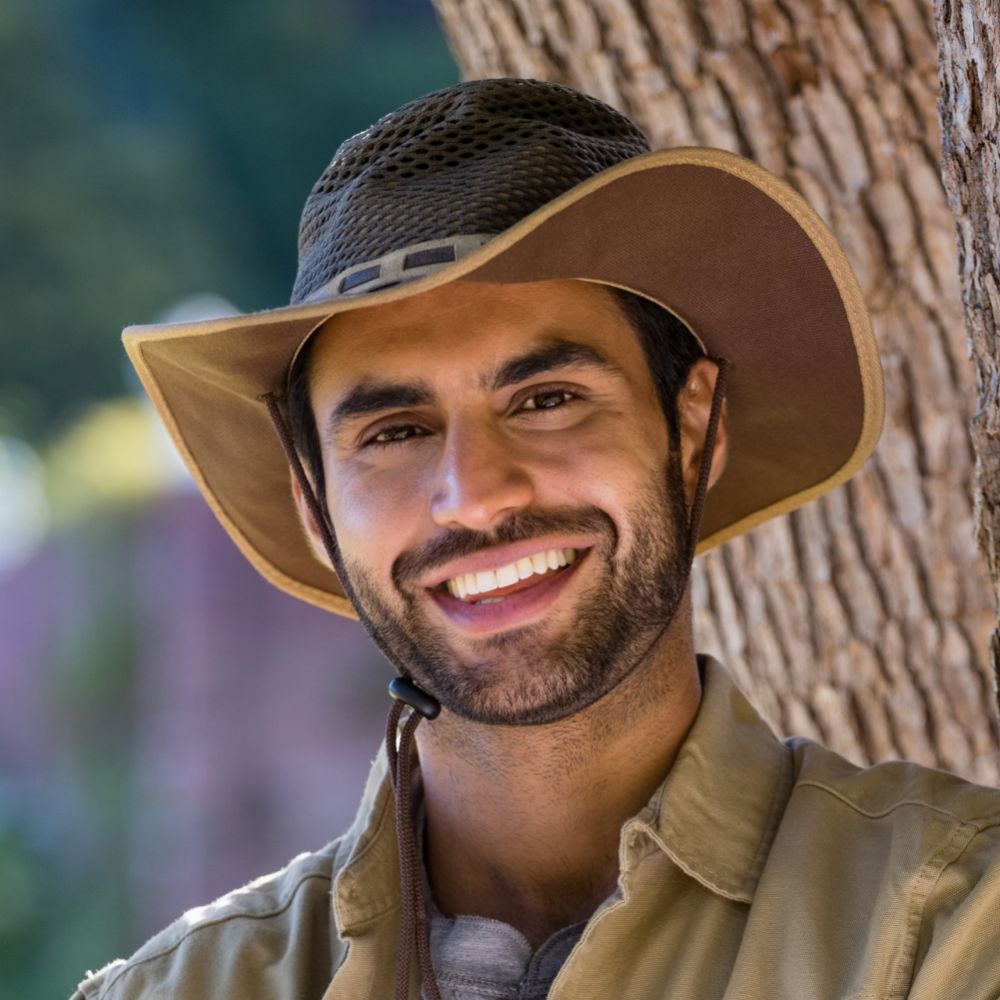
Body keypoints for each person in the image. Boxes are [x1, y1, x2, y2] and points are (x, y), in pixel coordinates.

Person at [72, 78, 1000, 1000]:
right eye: (394, 432)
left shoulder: (950, 921)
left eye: (547, 400)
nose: (473, 497)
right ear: (314, 507)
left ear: (691, 430)